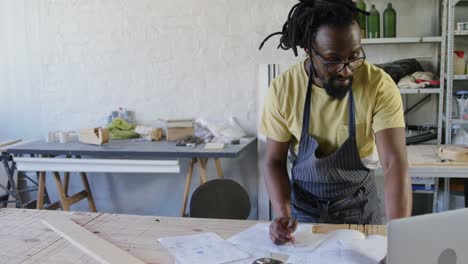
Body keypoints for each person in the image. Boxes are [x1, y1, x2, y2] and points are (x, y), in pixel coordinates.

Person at [259, 0, 412, 245]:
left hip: (359, 210)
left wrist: (399, 242)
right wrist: (282, 216)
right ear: (310, 49)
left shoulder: (379, 85)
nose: (347, 71)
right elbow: (273, 161)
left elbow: (394, 163)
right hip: (304, 214)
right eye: (333, 61)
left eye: (355, 56)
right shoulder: (284, 89)